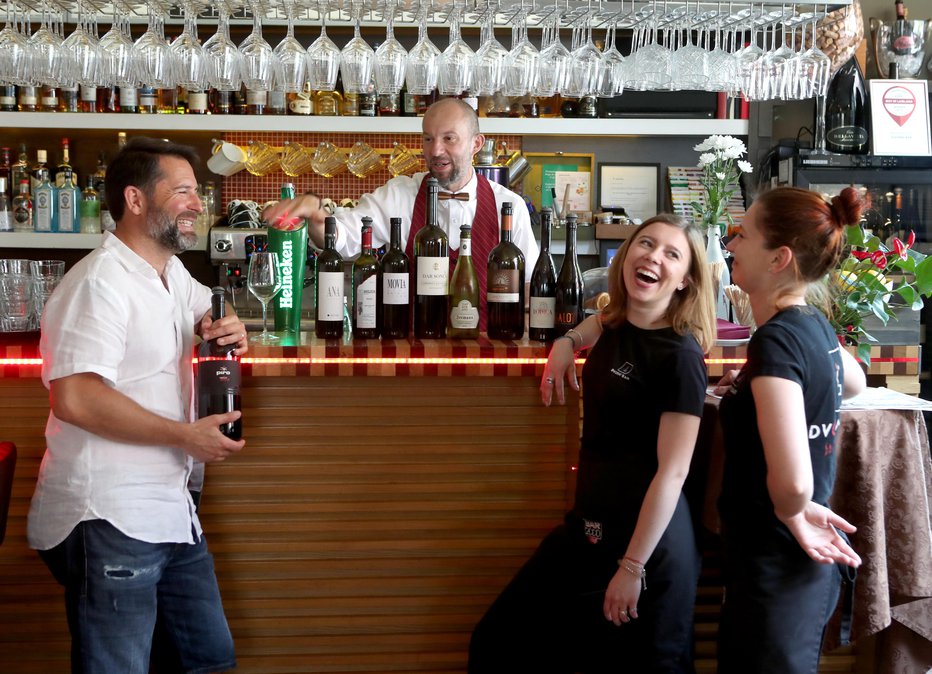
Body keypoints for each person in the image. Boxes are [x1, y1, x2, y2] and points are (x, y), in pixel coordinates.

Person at [27, 136, 249, 674]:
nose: (198, 204)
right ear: (135, 201)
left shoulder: (169, 273)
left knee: (207, 659)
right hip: (109, 512)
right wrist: (184, 436)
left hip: (170, 508)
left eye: (197, 192)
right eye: (183, 192)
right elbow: (75, 398)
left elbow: (212, 314)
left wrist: (232, 326)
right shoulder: (99, 284)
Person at [469, 214, 717, 673]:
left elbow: (674, 472)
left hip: (648, 548)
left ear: (685, 281)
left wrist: (633, 567)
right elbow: (598, 323)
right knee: (496, 641)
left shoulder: (681, 357)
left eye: (671, 254)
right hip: (590, 530)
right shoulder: (619, 323)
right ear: (626, 257)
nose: (653, 257)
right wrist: (567, 341)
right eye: (646, 244)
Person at [714, 186, 866, 674]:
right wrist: (758, 382)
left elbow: (795, 484)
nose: (731, 244)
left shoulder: (777, 341)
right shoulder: (811, 325)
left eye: (743, 235)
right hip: (794, 571)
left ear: (779, 258)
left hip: (774, 563)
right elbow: (855, 381)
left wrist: (794, 512)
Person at [262, 97, 540, 327]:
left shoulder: (509, 205)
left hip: (486, 356)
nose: (436, 150)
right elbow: (343, 239)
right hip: (411, 355)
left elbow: (530, 290)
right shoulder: (400, 194)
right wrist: (315, 212)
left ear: (476, 144)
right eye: (428, 139)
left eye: (449, 139)